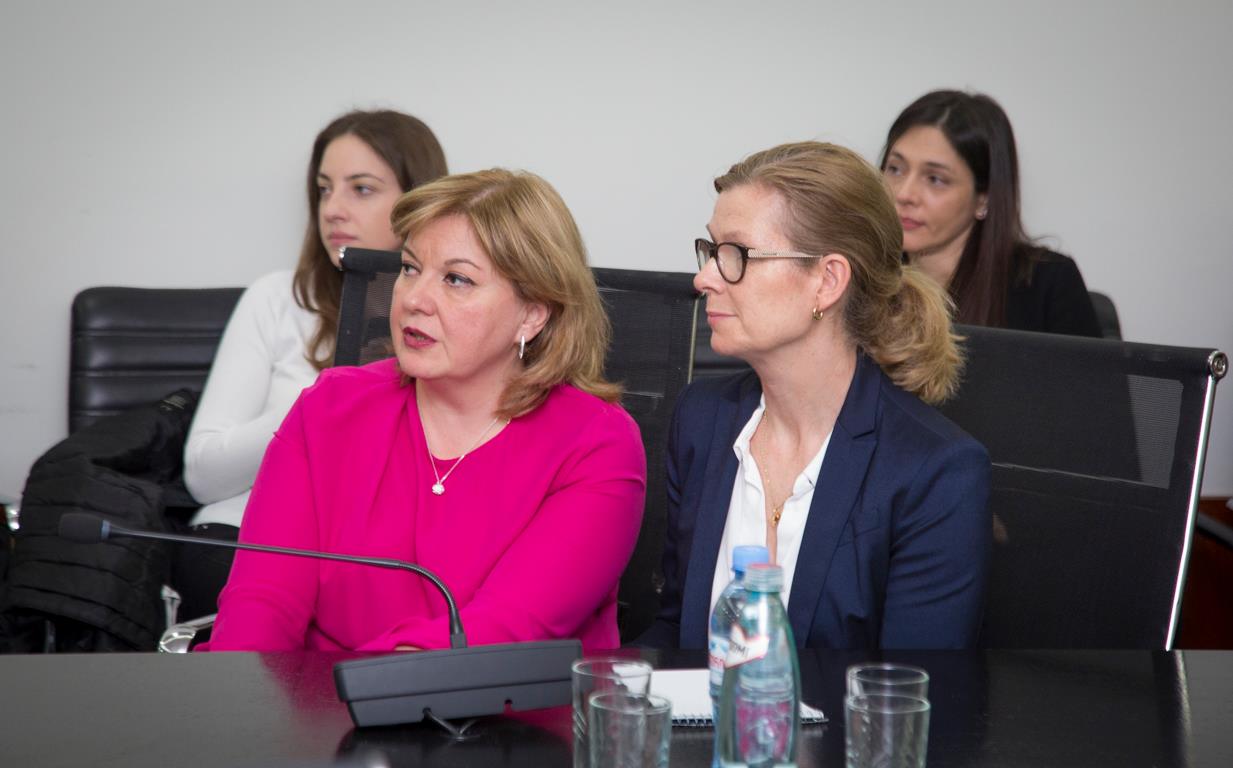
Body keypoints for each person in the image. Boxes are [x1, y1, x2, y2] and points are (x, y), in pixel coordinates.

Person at [205, 168, 647, 652]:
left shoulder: (596, 443)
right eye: (410, 268)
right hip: (306, 697)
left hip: (496, 701)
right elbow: (259, 606)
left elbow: (502, 629)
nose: (414, 299)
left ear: (533, 314)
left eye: (457, 279)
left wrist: (345, 685)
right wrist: (245, 692)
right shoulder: (328, 408)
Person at [640, 142, 991, 650]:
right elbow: (677, 629)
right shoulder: (703, 418)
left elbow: (913, 685)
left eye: (736, 255)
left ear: (827, 281)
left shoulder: (936, 471)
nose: (704, 277)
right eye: (711, 251)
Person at [176, 110, 448, 621]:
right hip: (244, 534)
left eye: (361, 189)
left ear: (417, 199)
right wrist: (322, 402)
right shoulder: (278, 298)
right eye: (324, 190)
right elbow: (203, 476)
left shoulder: (449, 318)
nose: (333, 210)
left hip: (382, 554)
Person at [881, 90, 1102, 337]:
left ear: (983, 198)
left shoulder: (1048, 284)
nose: (904, 194)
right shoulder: (862, 275)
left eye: (935, 179)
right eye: (895, 169)